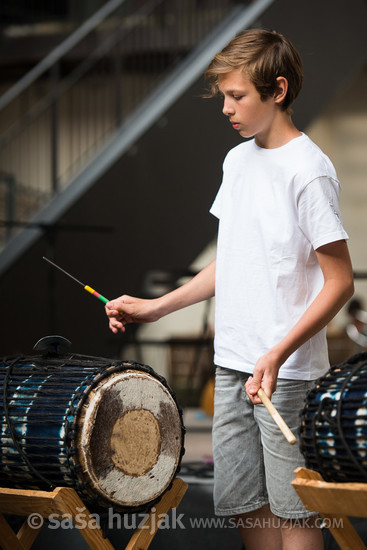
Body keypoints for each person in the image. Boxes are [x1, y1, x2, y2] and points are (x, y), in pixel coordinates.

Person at [105, 29, 354, 550]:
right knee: (244, 503)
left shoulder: (310, 172)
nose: (225, 108)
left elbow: (340, 282)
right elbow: (232, 262)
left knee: (298, 514)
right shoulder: (236, 162)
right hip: (232, 363)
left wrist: (279, 353)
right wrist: (154, 307)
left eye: (236, 95)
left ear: (278, 90)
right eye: (223, 95)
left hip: (286, 374)